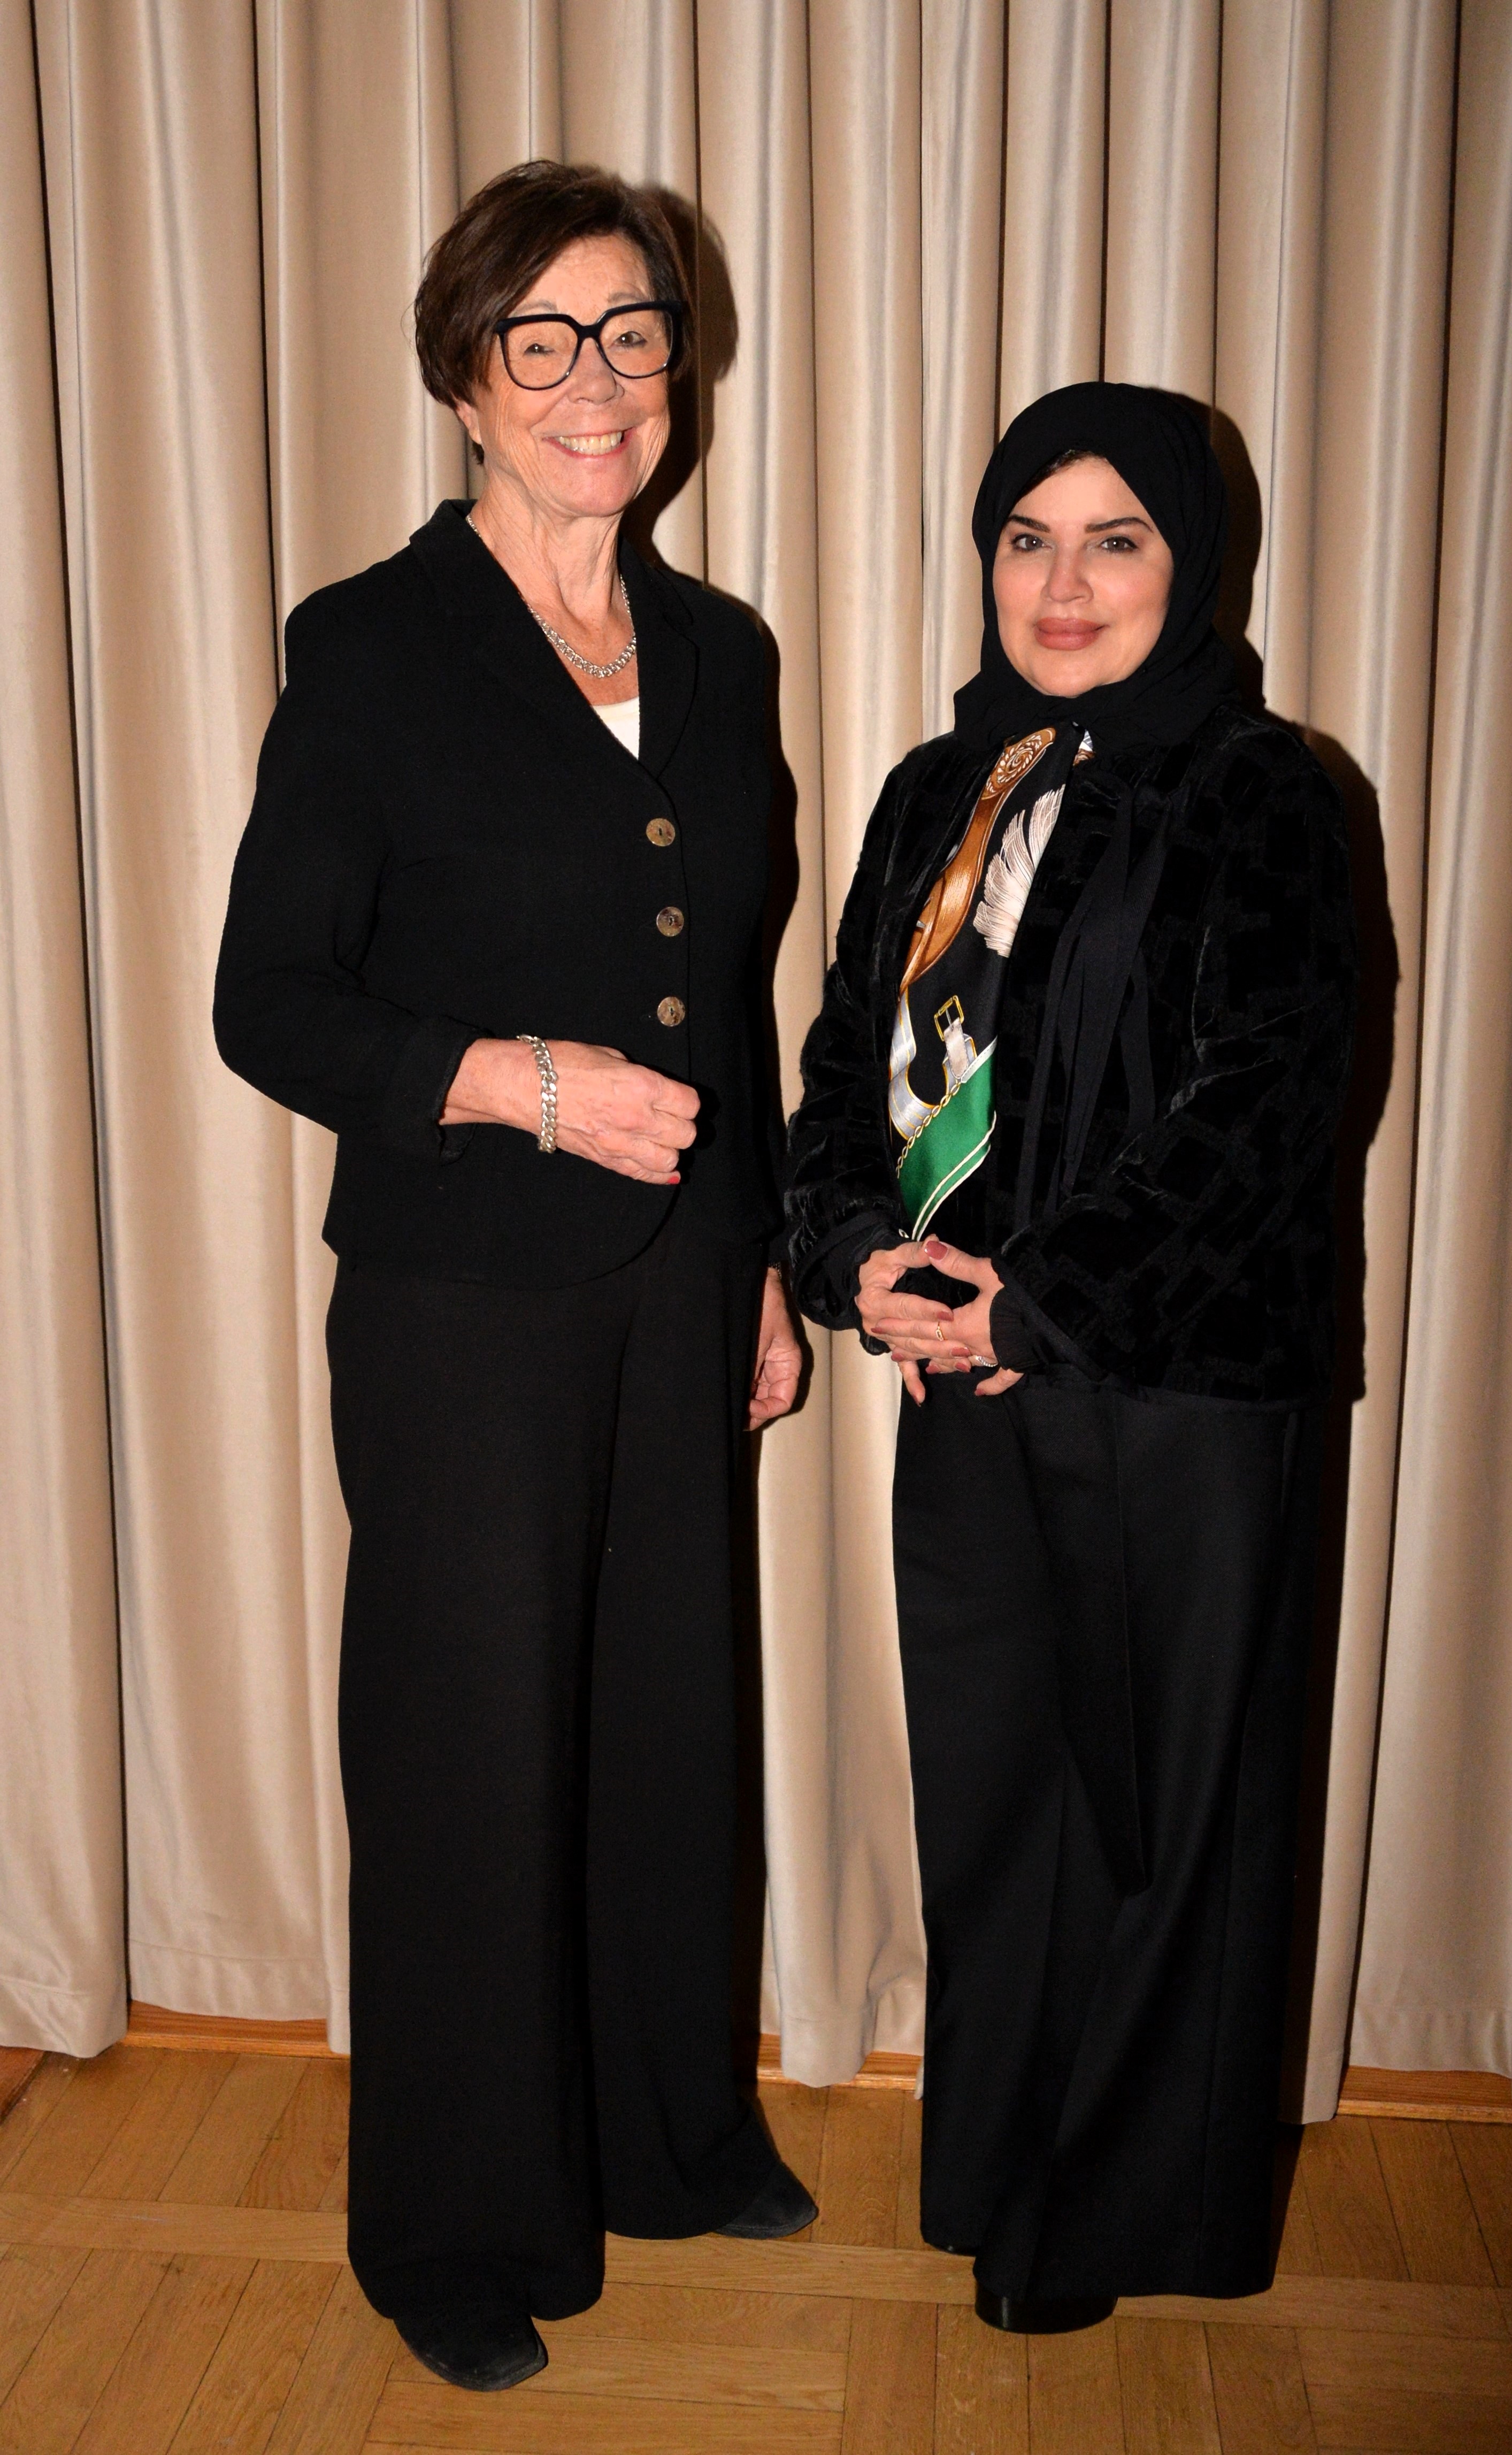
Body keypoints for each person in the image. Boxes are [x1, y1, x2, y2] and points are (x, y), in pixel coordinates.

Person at [214, 160, 812, 2395]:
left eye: (633, 335)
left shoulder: (723, 651)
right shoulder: (372, 646)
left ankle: (666, 2135)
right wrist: (515, 1082)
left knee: (665, 1725)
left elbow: (730, 996)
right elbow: (270, 1001)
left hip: (683, 1285)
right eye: (539, 340)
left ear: (679, 370)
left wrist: (763, 1262)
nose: (595, 382)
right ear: (465, 379)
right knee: (468, 1758)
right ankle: (452, 2228)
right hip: (462, 1301)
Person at [785, 383, 1356, 2331]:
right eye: (1028, 538)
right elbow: (844, 1061)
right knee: (1000, 1806)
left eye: (1117, 541)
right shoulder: (934, 792)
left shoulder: (1268, 792)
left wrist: (1037, 1305)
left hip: (1173, 1396)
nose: (1064, 582)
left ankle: (1124, 2228)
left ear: (1193, 567)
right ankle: (999, 2171)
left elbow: (1265, 1108)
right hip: (960, 1384)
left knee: (1160, 1822)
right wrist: (854, 1257)